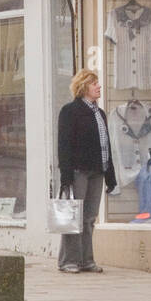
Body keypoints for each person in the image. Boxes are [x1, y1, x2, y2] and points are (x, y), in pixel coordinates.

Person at [56, 69, 117, 273]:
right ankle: (68, 260)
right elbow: (63, 145)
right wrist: (66, 177)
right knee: (74, 217)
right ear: (83, 87)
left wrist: (110, 176)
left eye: (98, 83)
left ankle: (86, 260)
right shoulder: (69, 111)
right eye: (94, 83)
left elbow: (105, 145)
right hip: (78, 171)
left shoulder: (100, 114)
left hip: (97, 171)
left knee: (90, 217)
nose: (98, 86)